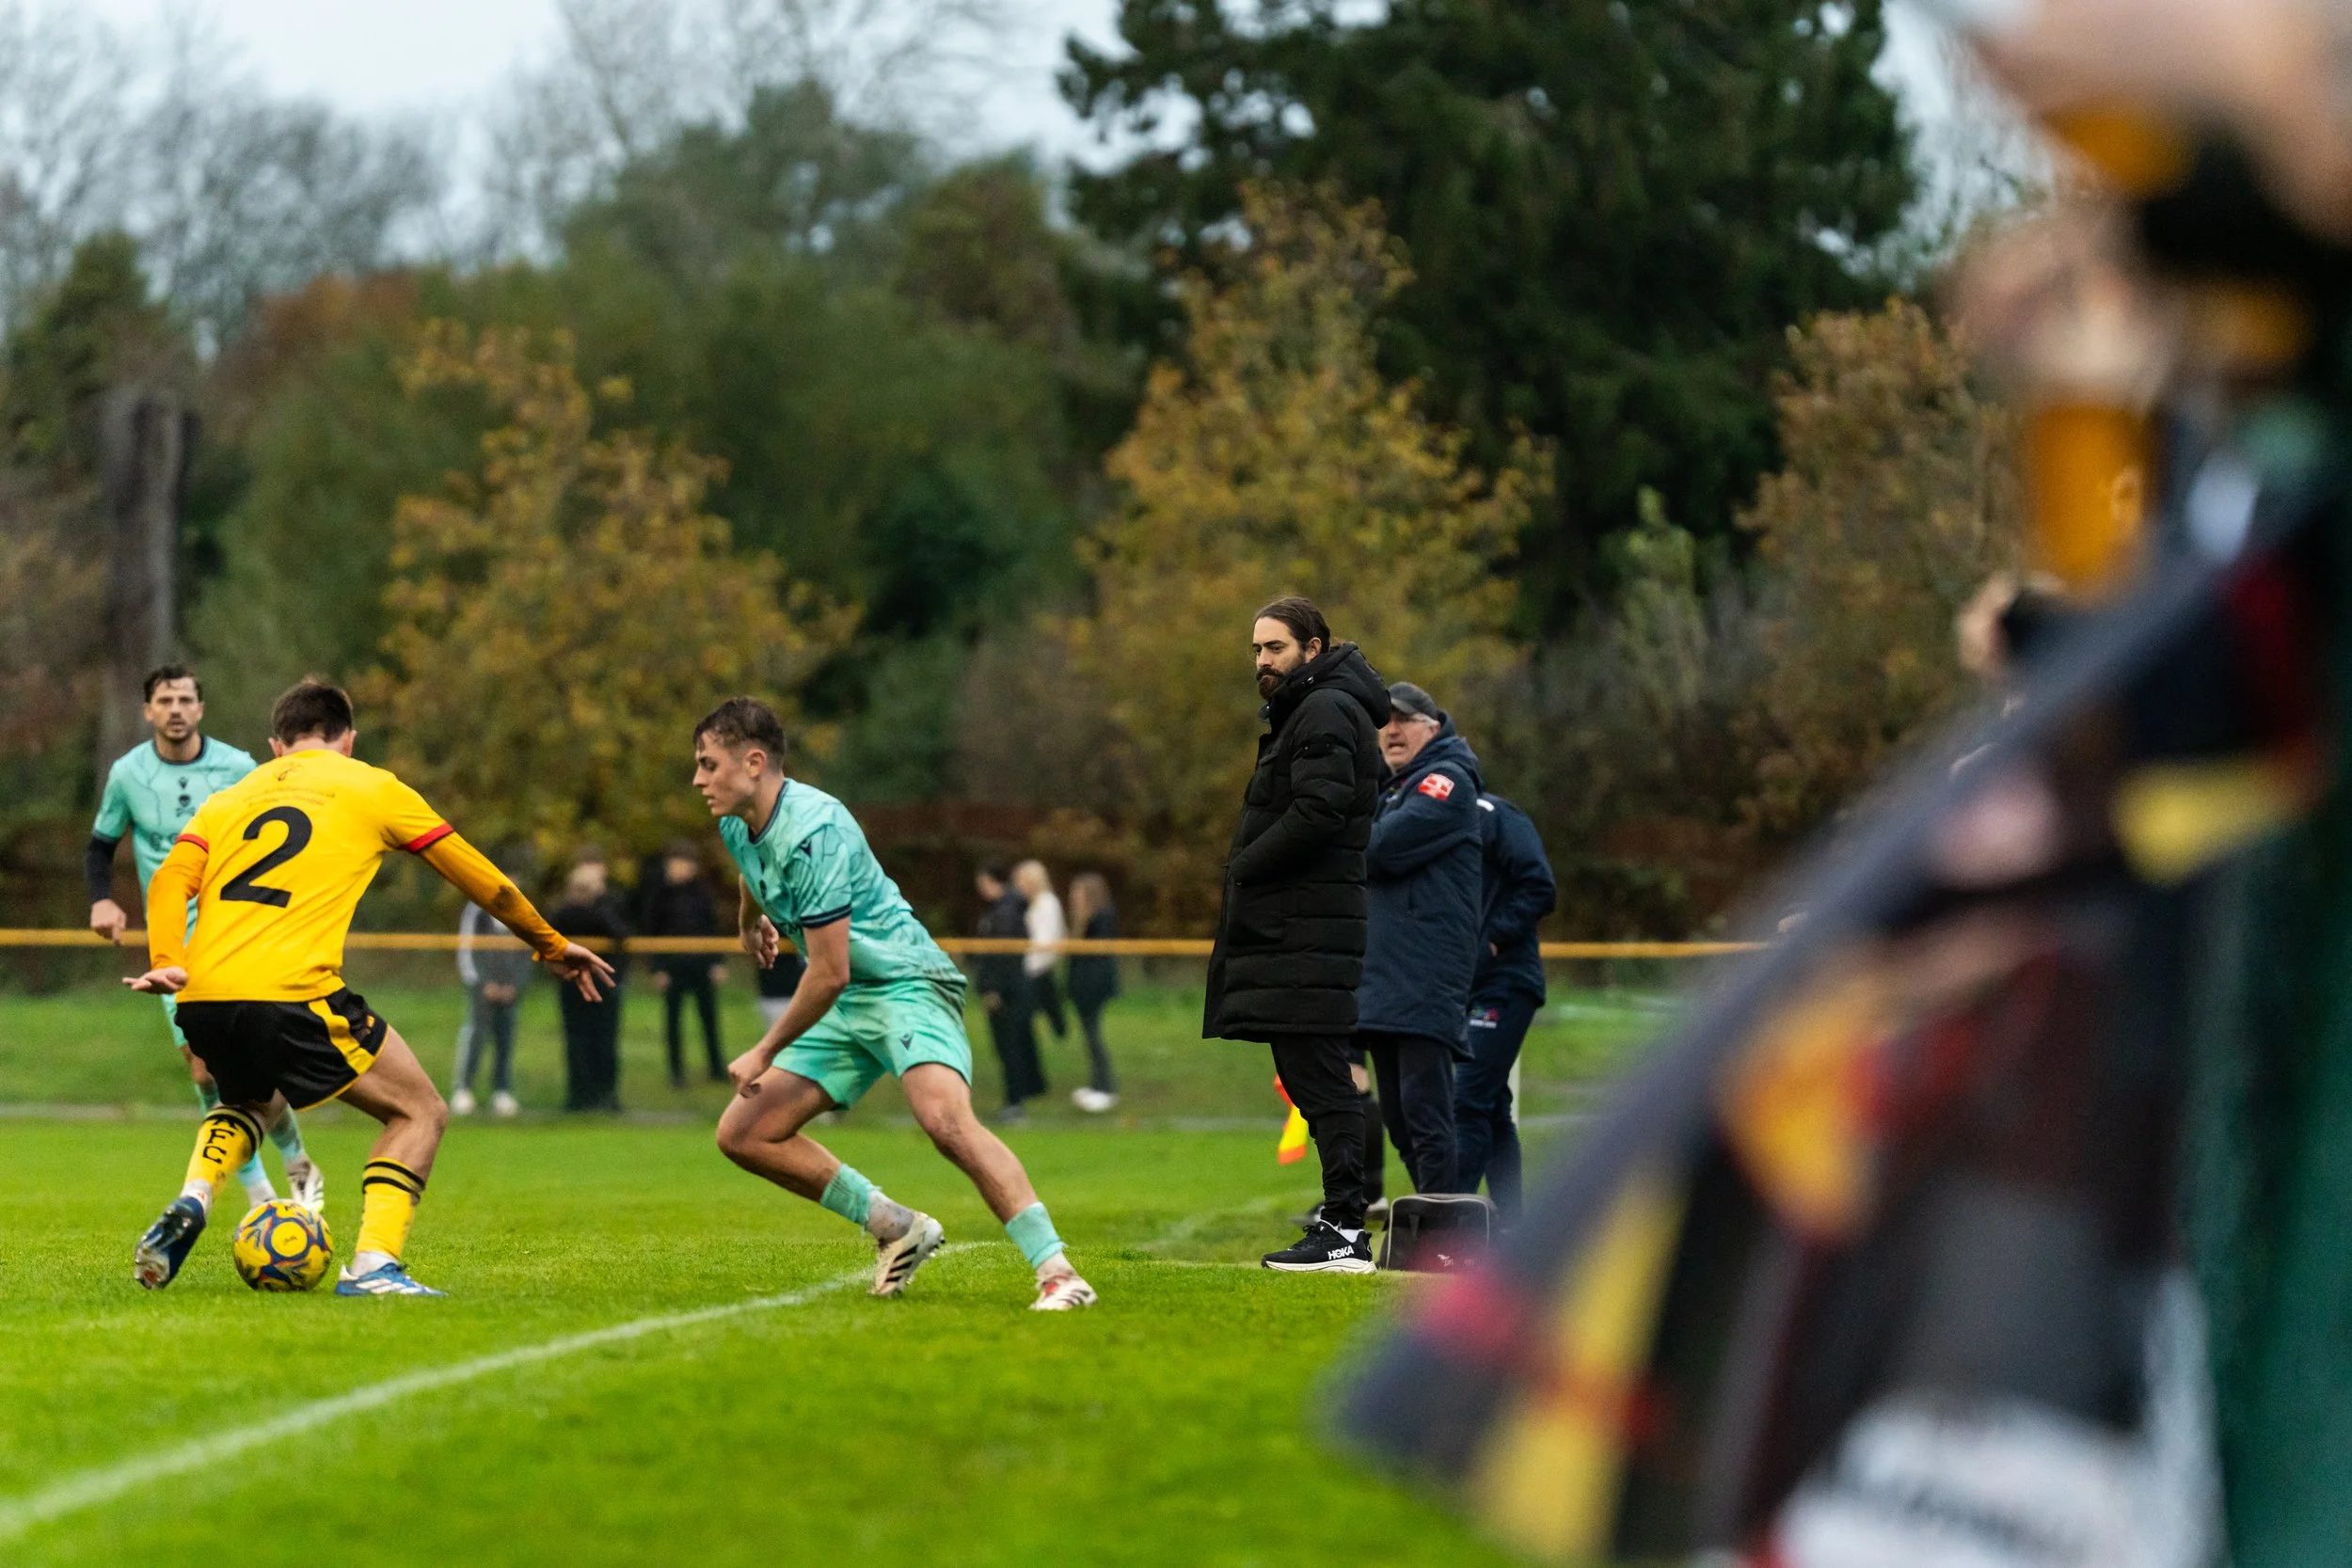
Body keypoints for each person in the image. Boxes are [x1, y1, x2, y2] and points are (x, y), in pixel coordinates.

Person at [124, 678, 612, 1296]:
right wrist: (548, 941)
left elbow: (169, 879)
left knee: (252, 1101)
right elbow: (480, 877)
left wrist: (168, 957)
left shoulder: (231, 797)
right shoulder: (372, 785)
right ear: (347, 740)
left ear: (278, 746)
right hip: (290, 990)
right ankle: (375, 1266)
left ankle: (196, 1194)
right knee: (419, 1110)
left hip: (202, 991)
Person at [692, 697, 1095, 1310]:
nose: (698, 780)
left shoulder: (816, 830)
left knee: (945, 1122)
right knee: (743, 1132)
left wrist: (764, 1049)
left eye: (707, 764)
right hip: (851, 994)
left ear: (753, 762)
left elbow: (828, 973)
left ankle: (1059, 1272)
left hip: (906, 983)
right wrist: (752, 922)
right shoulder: (735, 820)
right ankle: (893, 1224)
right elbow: (753, 866)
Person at [88, 664, 322, 1213]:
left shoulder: (239, 767)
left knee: (254, 1066)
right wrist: (101, 897)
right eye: (164, 700)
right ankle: (258, 1190)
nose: (175, 709)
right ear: (148, 711)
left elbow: (288, 805)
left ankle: (297, 1159)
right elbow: (100, 846)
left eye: (185, 699)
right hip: (174, 945)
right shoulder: (128, 774)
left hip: (236, 934)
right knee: (203, 1068)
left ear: (200, 709)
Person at [1203, 595, 1391, 1274]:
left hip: (1309, 925)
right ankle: (1341, 1222)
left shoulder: (1326, 709)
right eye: (1256, 649)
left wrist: (1245, 867)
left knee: (1322, 1079)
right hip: (1303, 925)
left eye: (1275, 647)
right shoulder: (1316, 709)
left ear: (1315, 647)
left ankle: (1345, 1229)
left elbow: (1319, 809)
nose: (1262, 661)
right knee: (1310, 1077)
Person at [1356, 681, 1485, 1198]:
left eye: (1402, 719)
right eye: (1382, 722)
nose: (1390, 731)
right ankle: (1432, 1225)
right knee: (1402, 1121)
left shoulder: (1447, 783)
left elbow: (1380, 849)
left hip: (1425, 977)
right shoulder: (1396, 789)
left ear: (1432, 727)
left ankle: (1446, 1238)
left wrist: (1343, 833)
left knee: (1427, 1115)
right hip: (1388, 978)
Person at [1454, 793, 1556, 1221]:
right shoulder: (1418, 815)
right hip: (1461, 987)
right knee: (1492, 1108)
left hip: (1504, 982)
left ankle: (1443, 1228)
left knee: (1466, 1100)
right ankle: (1512, 1229)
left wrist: (1491, 941)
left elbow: (1539, 885)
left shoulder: (1494, 815)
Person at [452, 851, 534, 1118]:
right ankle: (463, 1089)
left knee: (506, 1038)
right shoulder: (477, 910)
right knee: (476, 1034)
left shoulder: (522, 910)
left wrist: (515, 984)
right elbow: (467, 949)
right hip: (482, 987)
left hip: (510, 989)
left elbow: (529, 950)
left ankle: (502, 1091)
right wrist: (482, 983)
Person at [644, 841, 728, 1087]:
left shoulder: (702, 893)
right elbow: (652, 931)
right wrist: (657, 968)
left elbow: (712, 927)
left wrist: (717, 962)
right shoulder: (659, 894)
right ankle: (676, 1071)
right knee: (673, 1021)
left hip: (701, 963)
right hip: (673, 966)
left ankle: (715, 1067)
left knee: (709, 1018)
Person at [550, 856, 629, 1112]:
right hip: (597, 985)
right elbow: (621, 934)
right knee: (600, 1040)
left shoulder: (562, 914)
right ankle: (602, 1096)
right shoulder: (596, 913)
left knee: (581, 1040)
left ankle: (582, 1096)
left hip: (577, 984)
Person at [972, 863, 1045, 1121]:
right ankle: (1018, 1099)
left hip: (1008, 993)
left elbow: (1001, 958)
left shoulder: (1004, 913)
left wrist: (992, 989)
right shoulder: (1005, 910)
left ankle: (1015, 1103)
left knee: (1010, 1048)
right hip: (1014, 990)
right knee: (1012, 1047)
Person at [1064, 871, 1120, 1113]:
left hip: (1094, 987)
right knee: (1089, 1036)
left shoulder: (1102, 917)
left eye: (1079, 892)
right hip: (1081, 987)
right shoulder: (1081, 918)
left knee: (1094, 1035)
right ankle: (1096, 1085)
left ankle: (1106, 1088)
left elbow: (1098, 954)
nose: (1074, 897)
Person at [1013, 859, 1070, 1042]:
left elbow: (1044, 940)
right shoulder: (1033, 904)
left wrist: (1024, 965)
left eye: (1021, 880)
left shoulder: (1047, 903)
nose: (1017, 885)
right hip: (1034, 968)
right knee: (1024, 1020)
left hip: (1037, 969)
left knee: (1023, 1017)